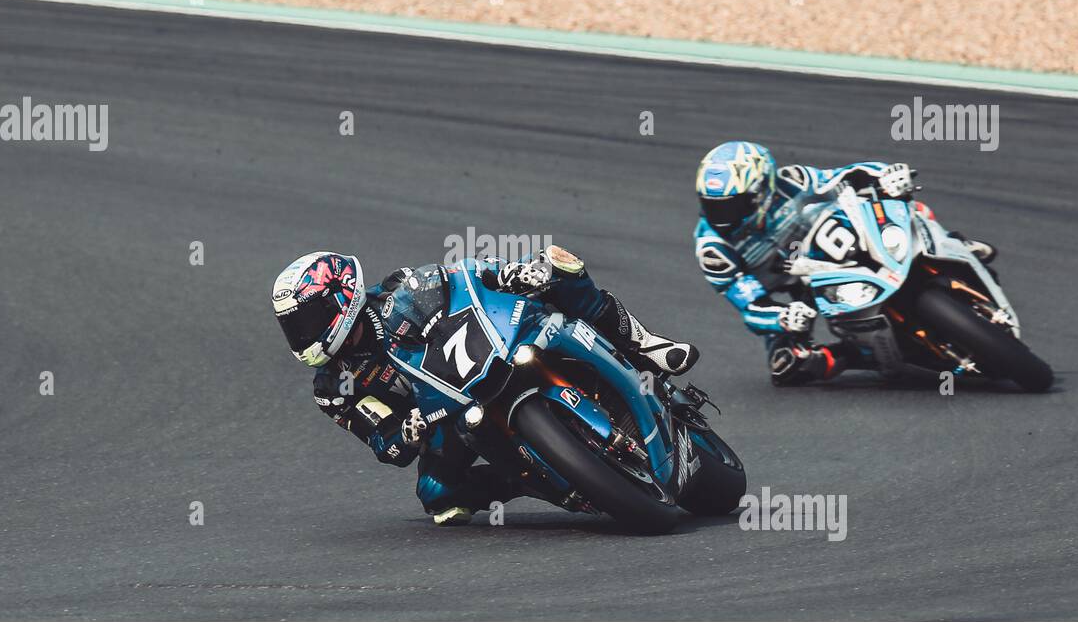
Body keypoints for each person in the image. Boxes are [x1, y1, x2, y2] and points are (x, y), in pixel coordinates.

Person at [272, 246, 697, 525]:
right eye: (293, 326)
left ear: (340, 297)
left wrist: (512, 274)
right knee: (437, 496)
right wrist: (404, 432)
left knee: (556, 266)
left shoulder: (399, 289)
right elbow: (384, 444)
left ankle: (644, 345)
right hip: (444, 415)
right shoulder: (333, 387)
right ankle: (543, 481)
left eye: (305, 321)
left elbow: (467, 276)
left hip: (498, 348)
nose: (302, 335)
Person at [692, 141, 996, 385]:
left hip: (837, 235)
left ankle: (952, 242)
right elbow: (749, 306)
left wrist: (886, 175)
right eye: (712, 206)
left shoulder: (792, 182)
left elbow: (848, 175)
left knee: (900, 202)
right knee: (788, 367)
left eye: (732, 205)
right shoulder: (713, 249)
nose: (723, 217)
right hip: (798, 285)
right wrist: (782, 318)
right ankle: (858, 353)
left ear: (763, 190)